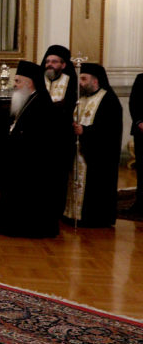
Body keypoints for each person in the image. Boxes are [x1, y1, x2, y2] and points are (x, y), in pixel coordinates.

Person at [0, 61, 59, 238]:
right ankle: (11, 227)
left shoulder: (42, 103)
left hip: (33, 163)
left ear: (29, 83)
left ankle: (25, 228)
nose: (14, 85)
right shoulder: (26, 99)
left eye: (17, 81)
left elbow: (39, 137)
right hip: (20, 159)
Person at [64, 63, 122, 228]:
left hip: (97, 156)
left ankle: (93, 217)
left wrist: (85, 131)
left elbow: (109, 131)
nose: (80, 83)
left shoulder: (108, 100)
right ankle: (72, 214)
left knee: (95, 188)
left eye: (84, 79)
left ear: (95, 81)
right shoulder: (80, 99)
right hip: (77, 152)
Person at [41, 44, 78, 216]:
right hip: (41, 135)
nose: (50, 64)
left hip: (61, 136)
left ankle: (57, 209)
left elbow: (70, 106)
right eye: (47, 61)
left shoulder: (71, 82)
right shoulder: (40, 79)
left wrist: (51, 108)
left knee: (59, 175)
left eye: (54, 61)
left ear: (63, 65)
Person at [131, 72, 143, 215]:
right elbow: (133, 103)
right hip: (141, 131)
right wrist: (139, 122)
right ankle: (140, 203)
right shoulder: (141, 78)